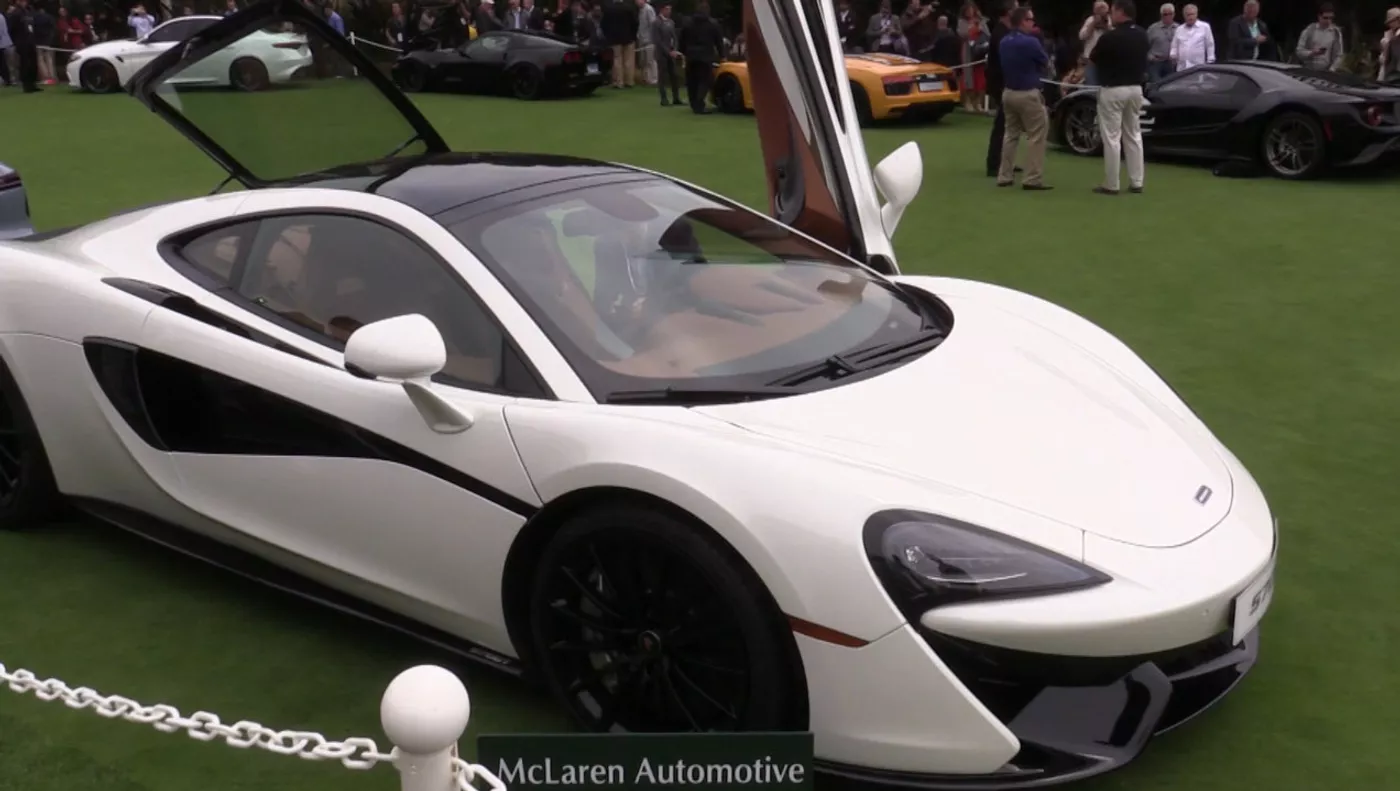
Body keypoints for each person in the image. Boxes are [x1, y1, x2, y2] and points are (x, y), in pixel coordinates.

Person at [1090, 0, 1149, 195]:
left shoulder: (1109, 37)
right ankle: (1137, 181)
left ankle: (1112, 183)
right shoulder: (1142, 34)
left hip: (1113, 88)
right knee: (1134, 134)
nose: (1111, 15)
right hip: (1135, 88)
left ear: (1120, 12)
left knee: (1112, 138)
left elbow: (1094, 58)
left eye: (1113, 11)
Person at [995, 5, 1051, 190]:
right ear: (1022, 21)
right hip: (1028, 93)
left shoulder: (1004, 41)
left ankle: (1004, 175)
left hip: (1009, 92)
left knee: (1010, 135)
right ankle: (1032, 178)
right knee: (1036, 135)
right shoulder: (1031, 42)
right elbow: (1045, 63)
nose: (1033, 23)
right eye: (1030, 19)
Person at [984, 0, 1015, 178]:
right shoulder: (1000, 33)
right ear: (1008, 12)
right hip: (1000, 83)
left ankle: (1005, 161)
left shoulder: (1005, 31)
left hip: (1003, 82)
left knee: (1010, 125)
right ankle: (994, 163)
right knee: (1002, 125)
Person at [1295, 3, 1342, 71]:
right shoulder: (1309, 30)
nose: (1328, 21)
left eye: (1331, 18)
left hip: (1326, 71)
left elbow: (1338, 55)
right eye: (1325, 18)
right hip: (1307, 70)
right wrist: (1312, 53)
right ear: (1319, 16)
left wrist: (1332, 69)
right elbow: (1299, 51)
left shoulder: (1335, 33)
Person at [601, 0, 638, 88]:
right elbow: (635, 23)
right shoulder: (629, 8)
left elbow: (603, 24)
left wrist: (607, 35)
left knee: (617, 60)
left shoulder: (609, 9)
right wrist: (633, 35)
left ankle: (618, 82)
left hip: (614, 39)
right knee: (629, 60)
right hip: (628, 37)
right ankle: (629, 81)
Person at [652, 0, 681, 105]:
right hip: (661, 54)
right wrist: (668, 52)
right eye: (667, 9)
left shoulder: (671, 22)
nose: (669, 11)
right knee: (662, 77)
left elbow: (674, 37)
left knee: (674, 75)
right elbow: (658, 41)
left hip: (671, 53)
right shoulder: (656, 23)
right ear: (662, 10)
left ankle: (676, 98)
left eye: (670, 9)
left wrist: (675, 49)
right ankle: (663, 99)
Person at [6, 0, 38, 93]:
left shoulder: (28, 12)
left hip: (31, 41)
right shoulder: (15, 13)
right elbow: (11, 29)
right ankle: (27, 85)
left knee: (33, 63)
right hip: (22, 42)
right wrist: (16, 41)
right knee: (25, 64)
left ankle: (32, 83)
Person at [1169, 3, 1213, 69]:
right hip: (1182, 67)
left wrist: (1210, 60)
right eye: (1188, 15)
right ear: (1184, 16)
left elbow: (1210, 44)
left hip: (1198, 66)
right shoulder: (1179, 29)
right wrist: (1173, 55)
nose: (1190, 17)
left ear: (1196, 14)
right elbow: (1174, 45)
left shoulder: (1205, 27)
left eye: (1192, 14)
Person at [1078, 1, 1111, 84]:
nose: (1100, 11)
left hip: (1107, 60)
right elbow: (1081, 36)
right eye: (1098, 9)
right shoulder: (1090, 20)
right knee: (1091, 84)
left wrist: (1106, 26)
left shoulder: (1111, 20)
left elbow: (1115, 36)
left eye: (1102, 8)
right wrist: (1093, 24)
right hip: (1090, 61)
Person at [1145, 3, 1177, 81]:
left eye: (1170, 14)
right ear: (1161, 15)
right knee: (1156, 85)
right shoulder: (1153, 28)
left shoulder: (1179, 28)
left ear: (1174, 14)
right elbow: (1144, 46)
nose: (1168, 16)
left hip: (1172, 63)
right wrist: (1150, 57)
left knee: (1171, 85)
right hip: (1156, 63)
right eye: (1165, 14)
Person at [1382, 8, 1400, 81]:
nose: (1390, 24)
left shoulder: (1396, 38)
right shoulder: (1389, 35)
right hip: (1390, 73)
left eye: (1392, 21)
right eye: (1389, 22)